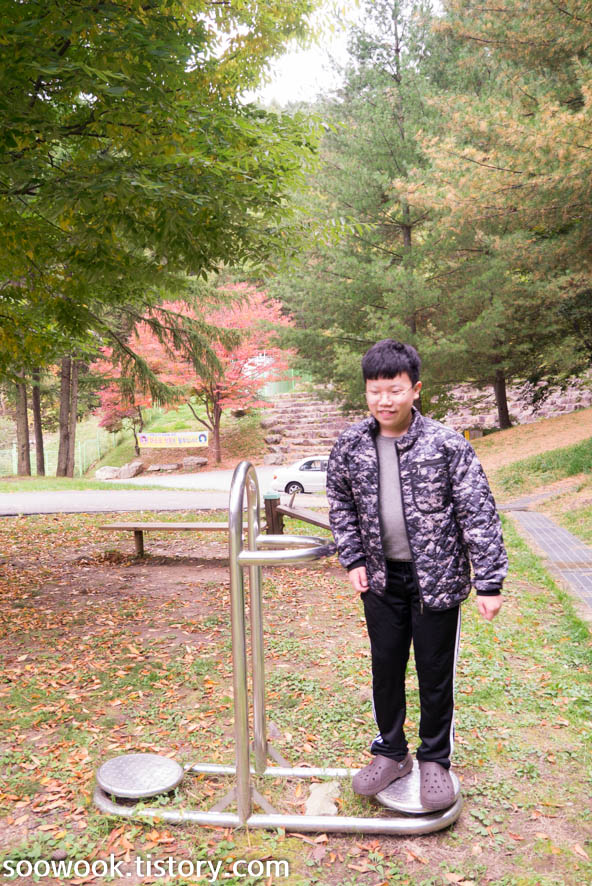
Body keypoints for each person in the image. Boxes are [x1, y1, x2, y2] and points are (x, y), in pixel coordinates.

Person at [326, 339, 508, 811]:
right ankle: (391, 751)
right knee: (385, 667)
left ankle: (434, 759)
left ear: (416, 389)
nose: (384, 400)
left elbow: (477, 512)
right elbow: (341, 504)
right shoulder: (351, 445)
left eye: (395, 390)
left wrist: (489, 581)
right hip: (380, 581)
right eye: (375, 391)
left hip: (437, 582)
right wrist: (354, 559)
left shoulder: (446, 444)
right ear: (366, 392)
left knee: (434, 672)